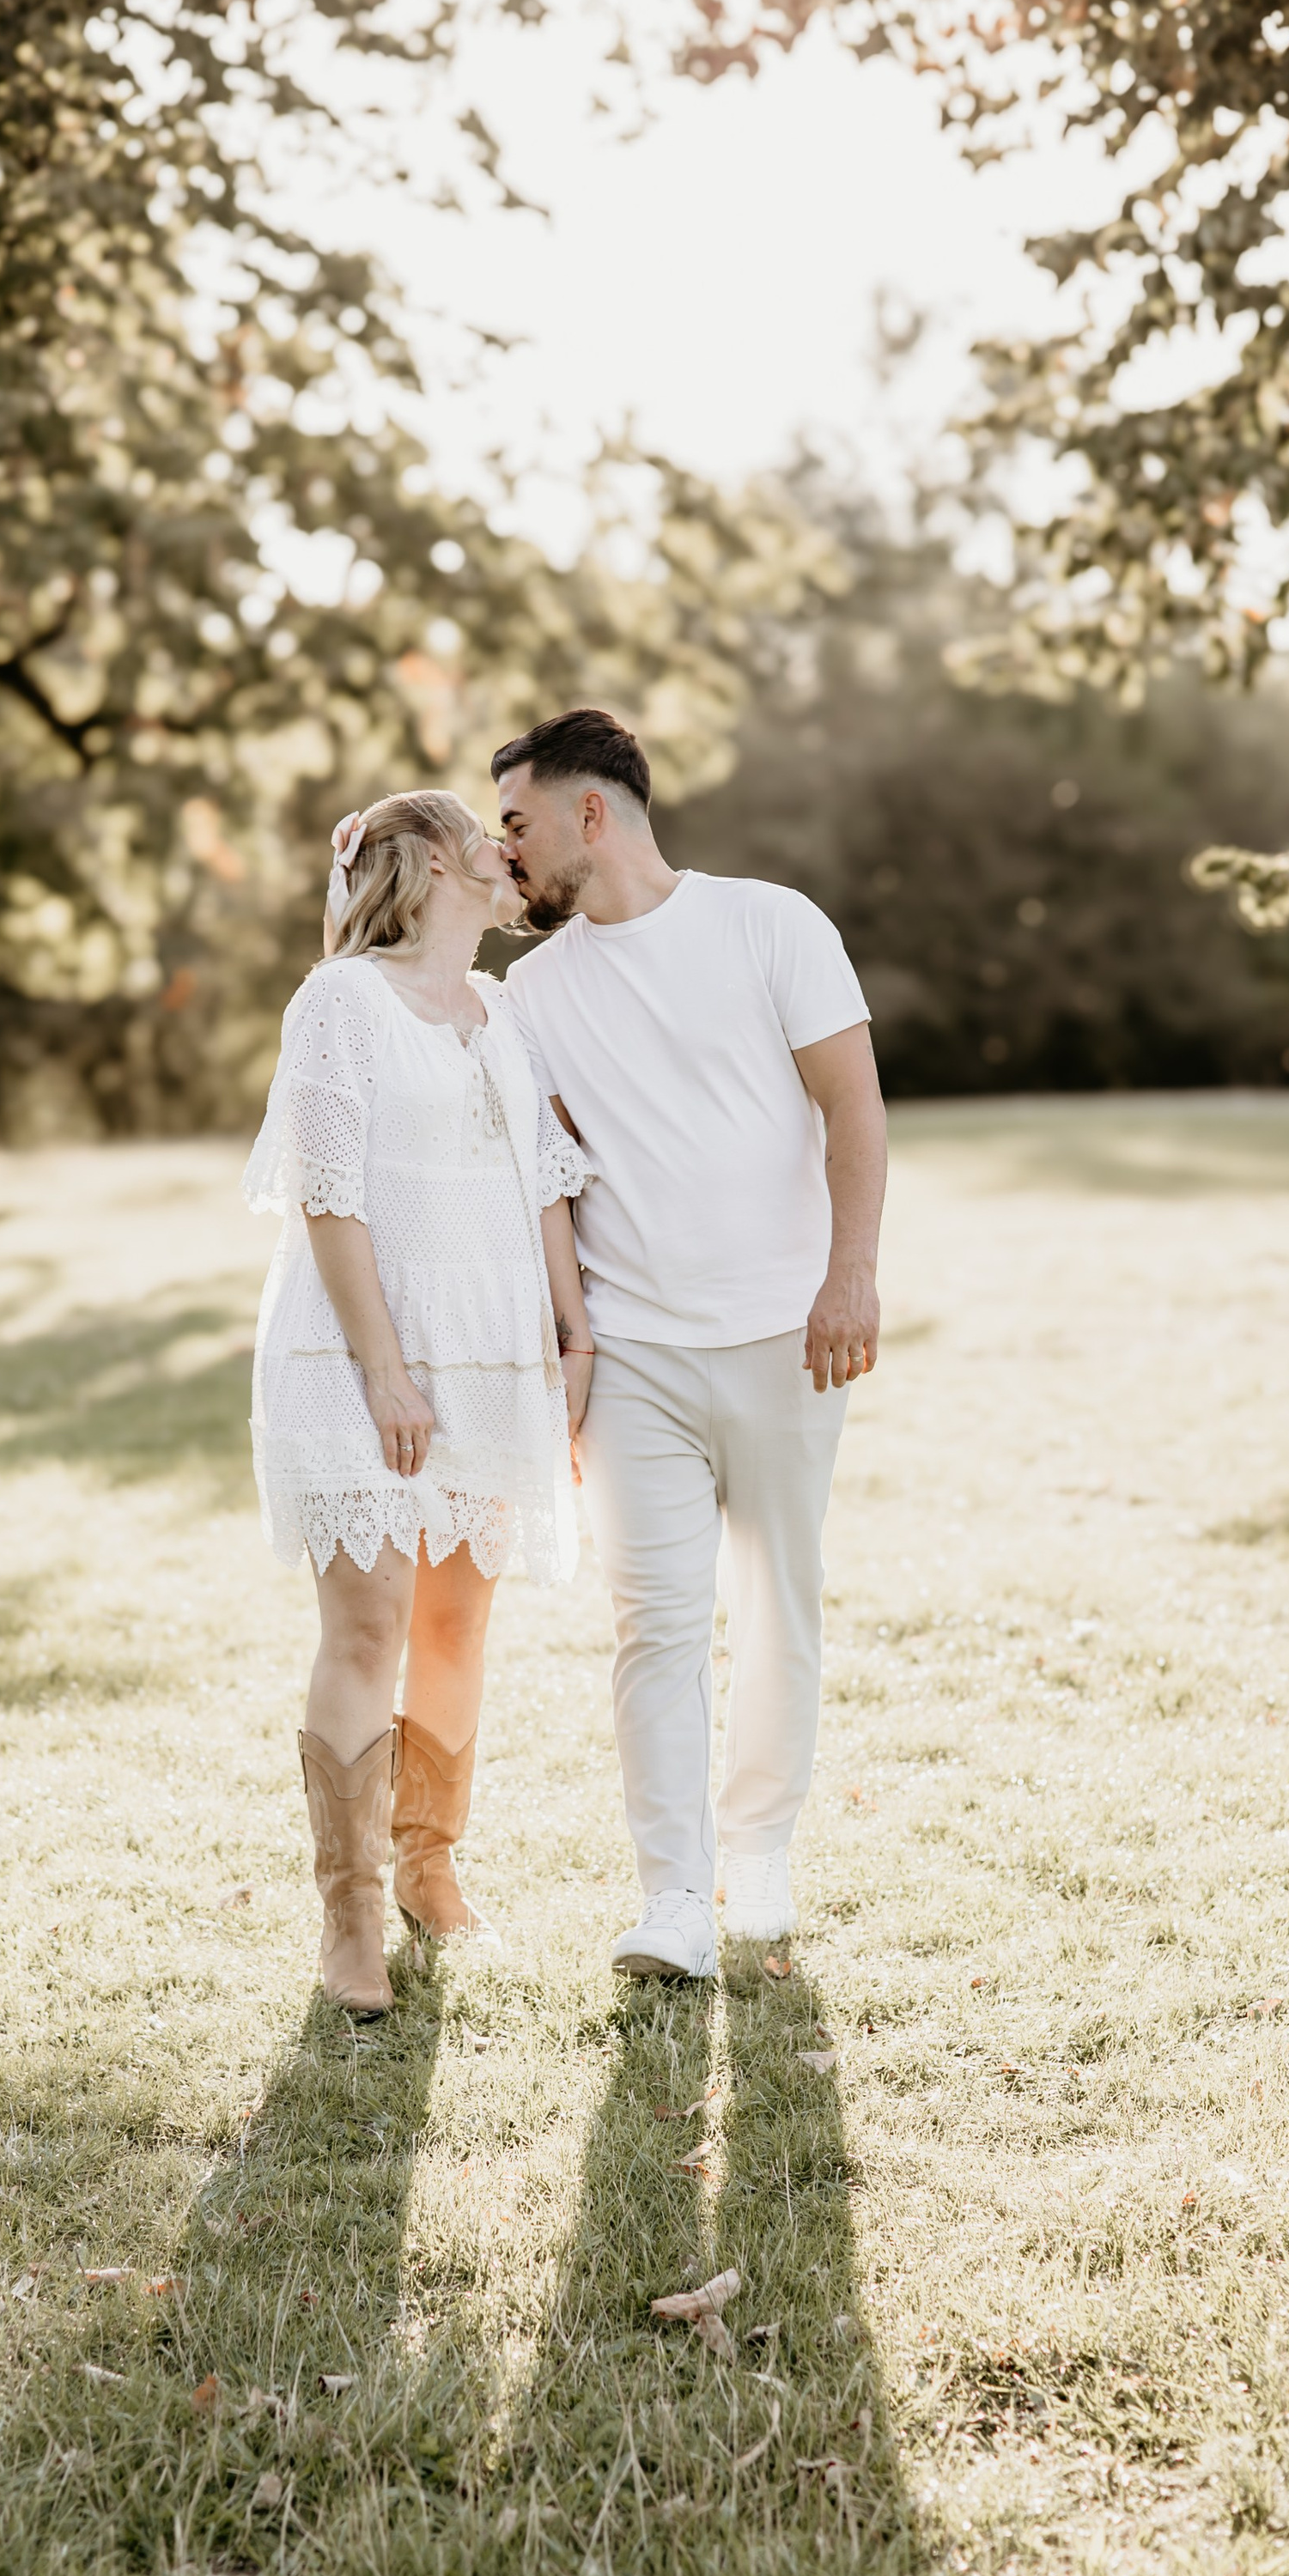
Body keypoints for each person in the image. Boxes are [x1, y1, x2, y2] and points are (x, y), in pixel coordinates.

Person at [495, 706, 887, 1983]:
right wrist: (569, 1346)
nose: (507, 853)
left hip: (787, 1336)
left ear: (589, 813)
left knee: (779, 1603)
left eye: (517, 823)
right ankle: (671, 1899)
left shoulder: (773, 924)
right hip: (634, 1358)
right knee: (651, 1624)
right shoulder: (532, 992)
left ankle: (757, 1854)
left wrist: (851, 1278)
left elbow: (853, 1110)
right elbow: (547, 1179)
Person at [245, 791, 596, 2017]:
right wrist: (384, 1368)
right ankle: (348, 1921)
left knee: (457, 1625)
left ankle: (429, 1867)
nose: (517, 860)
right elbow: (327, 1194)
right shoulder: (338, 1002)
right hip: (361, 1352)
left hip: (492, 1351)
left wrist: (573, 1332)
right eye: (495, 843)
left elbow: (546, 1183)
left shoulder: (500, 1009)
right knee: (366, 1626)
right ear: (440, 857)